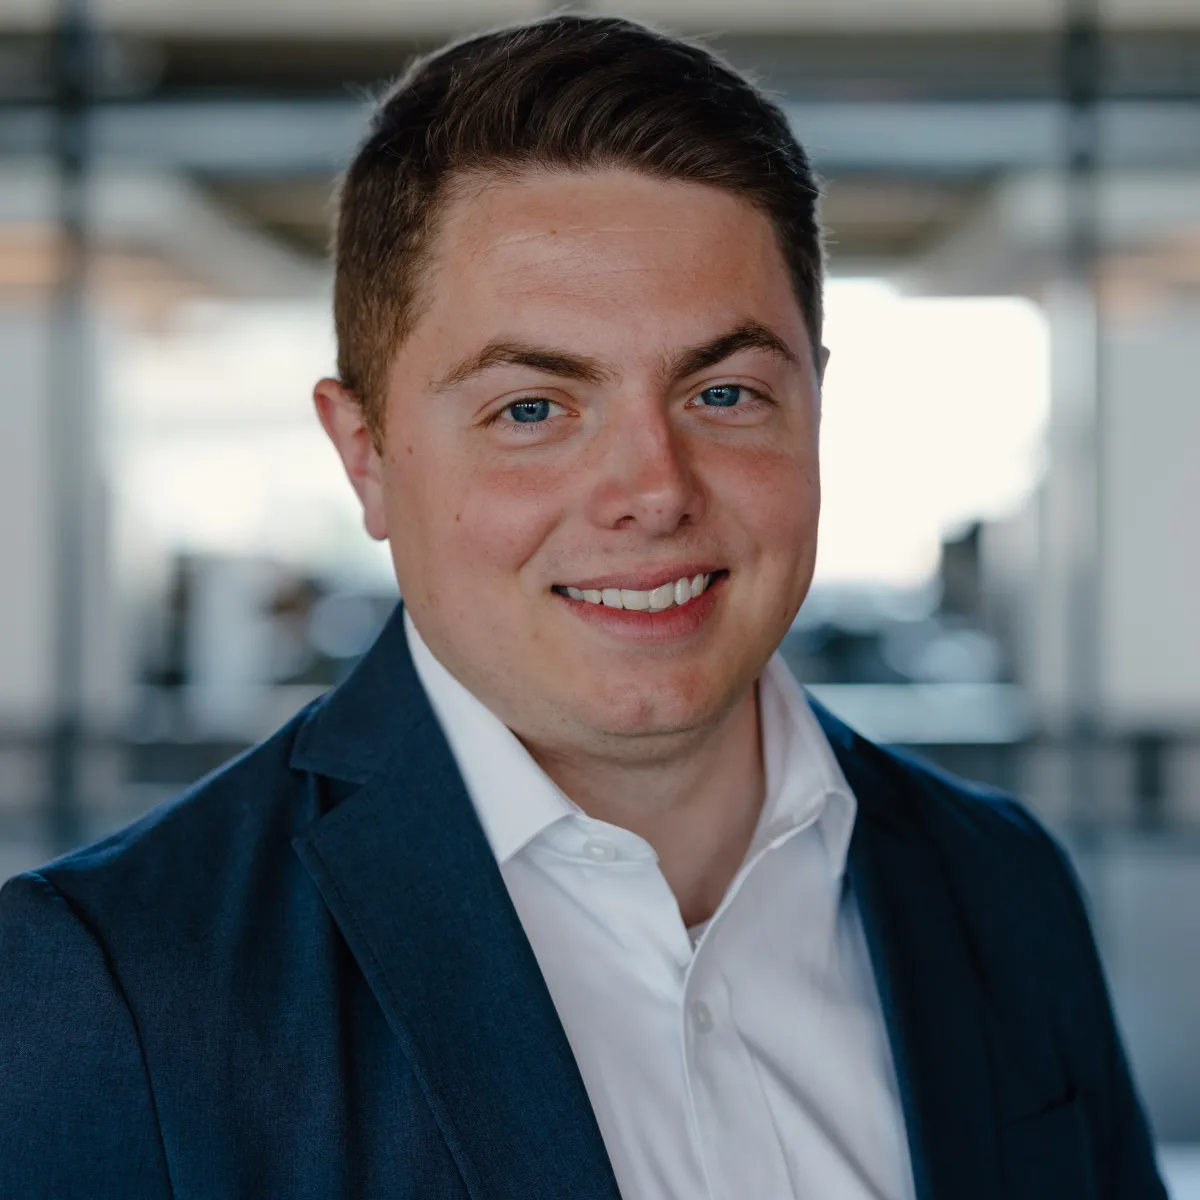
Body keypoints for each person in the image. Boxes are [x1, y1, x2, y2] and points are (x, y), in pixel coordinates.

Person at [0, 15, 1167, 1200]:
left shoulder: (999, 883)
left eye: (722, 391)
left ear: (816, 407)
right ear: (366, 457)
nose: (653, 492)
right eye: (531, 410)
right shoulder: (117, 982)